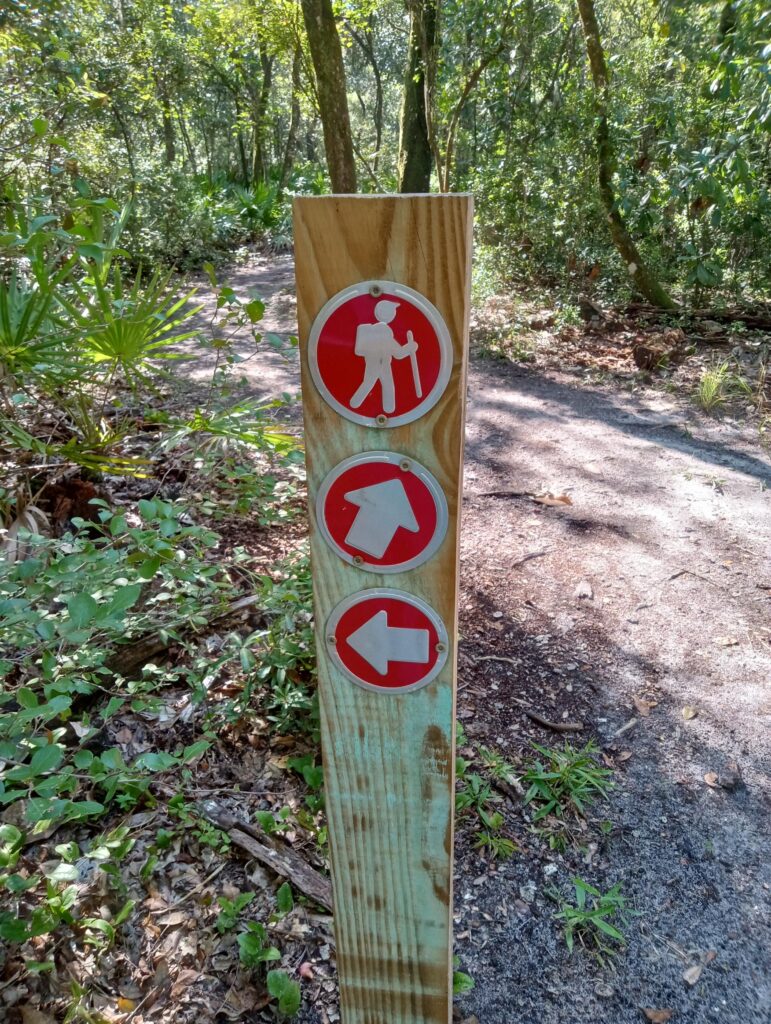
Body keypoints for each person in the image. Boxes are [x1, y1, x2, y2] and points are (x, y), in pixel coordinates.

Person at [350, 299, 418, 413]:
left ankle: (386, 409)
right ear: (390, 315)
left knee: (376, 385)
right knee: (377, 385)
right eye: (393, 312)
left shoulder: (377, 332)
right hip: (379, 364)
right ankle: (385, 408)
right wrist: (410, 347)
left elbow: (397, 353)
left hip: (381, 364)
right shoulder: (386, 333)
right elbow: (399, 353)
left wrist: (411, 347)